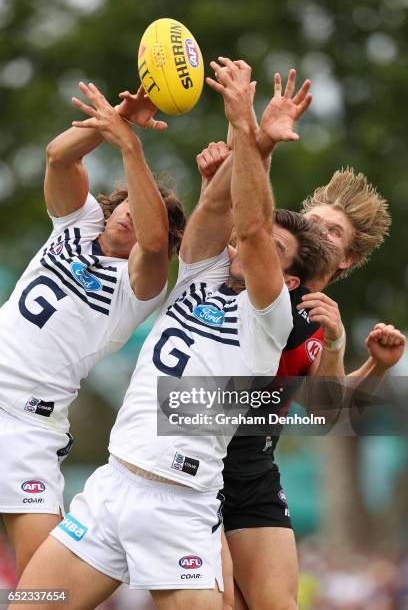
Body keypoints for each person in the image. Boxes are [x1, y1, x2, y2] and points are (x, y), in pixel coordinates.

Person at [13, 59, 327, 610]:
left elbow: (252, 228)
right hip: (111, 490)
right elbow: (220, 209)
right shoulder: (200, 276)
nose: (245, 249)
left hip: (179, 504)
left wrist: (244, 119)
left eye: (274, 255)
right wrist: (251, 139)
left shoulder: (269, 315)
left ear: (289, 280)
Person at [196, 78, 404, 608]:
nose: (318, 233)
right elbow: (244, 220)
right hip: (194, 448)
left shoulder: (319, 318)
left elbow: (322, 411)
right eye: (312, 221)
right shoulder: (260, 274)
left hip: (255, 468)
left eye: (334, 233)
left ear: (348, 261)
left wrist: (371, 366)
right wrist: (235, 151)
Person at [0, 82, 186, 578]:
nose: (134, 211)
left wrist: (130, 146)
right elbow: (59, 157)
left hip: (28, 426)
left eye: (160, 216)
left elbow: (152, 240)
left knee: (44, 577)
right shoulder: (76, 224)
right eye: (133, 201)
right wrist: (116, 122)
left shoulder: (139, 285)